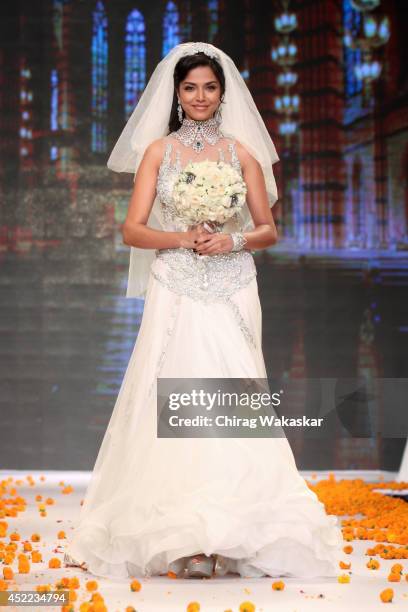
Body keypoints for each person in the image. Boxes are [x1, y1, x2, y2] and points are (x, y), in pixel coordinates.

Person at [64, 42, 343, 580]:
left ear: (223, 93)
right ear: (176, 92)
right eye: (190, 87)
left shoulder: (242, 153)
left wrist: (232, 242)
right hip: (176, 283)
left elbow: (267, 228)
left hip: (233, 284)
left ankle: (236, 530)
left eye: (209, 88)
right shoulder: (158, 153)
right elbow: (132, 229)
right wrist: (184, 237)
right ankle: (187, 535)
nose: (199, 96)